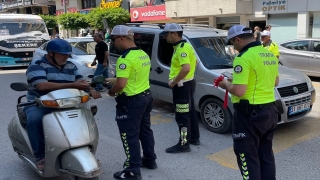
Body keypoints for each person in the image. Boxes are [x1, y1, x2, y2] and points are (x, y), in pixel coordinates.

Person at [25, 38, 101, 171]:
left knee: (86, 118)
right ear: (50, 53)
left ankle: (85, 151)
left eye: (67, 55)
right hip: (40, 104)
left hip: (67, 103)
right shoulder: (37, 65)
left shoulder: (71, 66)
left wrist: (91, 90)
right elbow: (42, 85)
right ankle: (40, 156)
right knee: (35, 120)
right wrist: (72, 84)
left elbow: (81, 81)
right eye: (62, 54)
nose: (66, 57)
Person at [219, 25, 279, 180]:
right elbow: (275, 82)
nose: (233, 47)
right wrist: (240, 81)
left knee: (247, 157)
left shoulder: (243, 58)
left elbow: (239, 91)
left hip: (250, 116)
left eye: (233, 43)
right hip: (270, 112)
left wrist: (225, 84)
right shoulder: (268, 54)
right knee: (266, 155)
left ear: (238, 39)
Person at [106, 25, 157, 180]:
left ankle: (132, 169)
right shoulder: (143, 54)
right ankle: (150, 159)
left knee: (129, 135)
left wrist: (111, 91)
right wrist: (116, 80)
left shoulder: (125, 58)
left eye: (114, 39)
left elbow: (121, 85)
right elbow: (135, 76)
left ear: (122, 38)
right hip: (146, 96)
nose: (114, 43)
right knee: (145, 130)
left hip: (130, 101)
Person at [160, 23, 200, 153]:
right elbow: (196, 62)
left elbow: (186, 68)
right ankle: (194, 138)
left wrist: (174, 82)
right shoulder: (186, 45)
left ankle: (183, 144)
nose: (165, 37)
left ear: (174, 34)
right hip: (189, 83)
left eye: (166, 35)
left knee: (182, 115)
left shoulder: (181, 48)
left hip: (181, 86)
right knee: (191, 112)